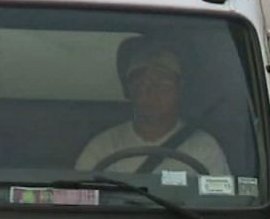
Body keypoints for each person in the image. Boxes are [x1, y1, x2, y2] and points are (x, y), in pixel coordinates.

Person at [76, 37, 230, 176]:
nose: (151, 94)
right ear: (128, 90)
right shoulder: (103, 148)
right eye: (142, 85)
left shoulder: (204, 149)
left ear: (180, 89)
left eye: (162, 85)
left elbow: (222, 202)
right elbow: (79, 200)